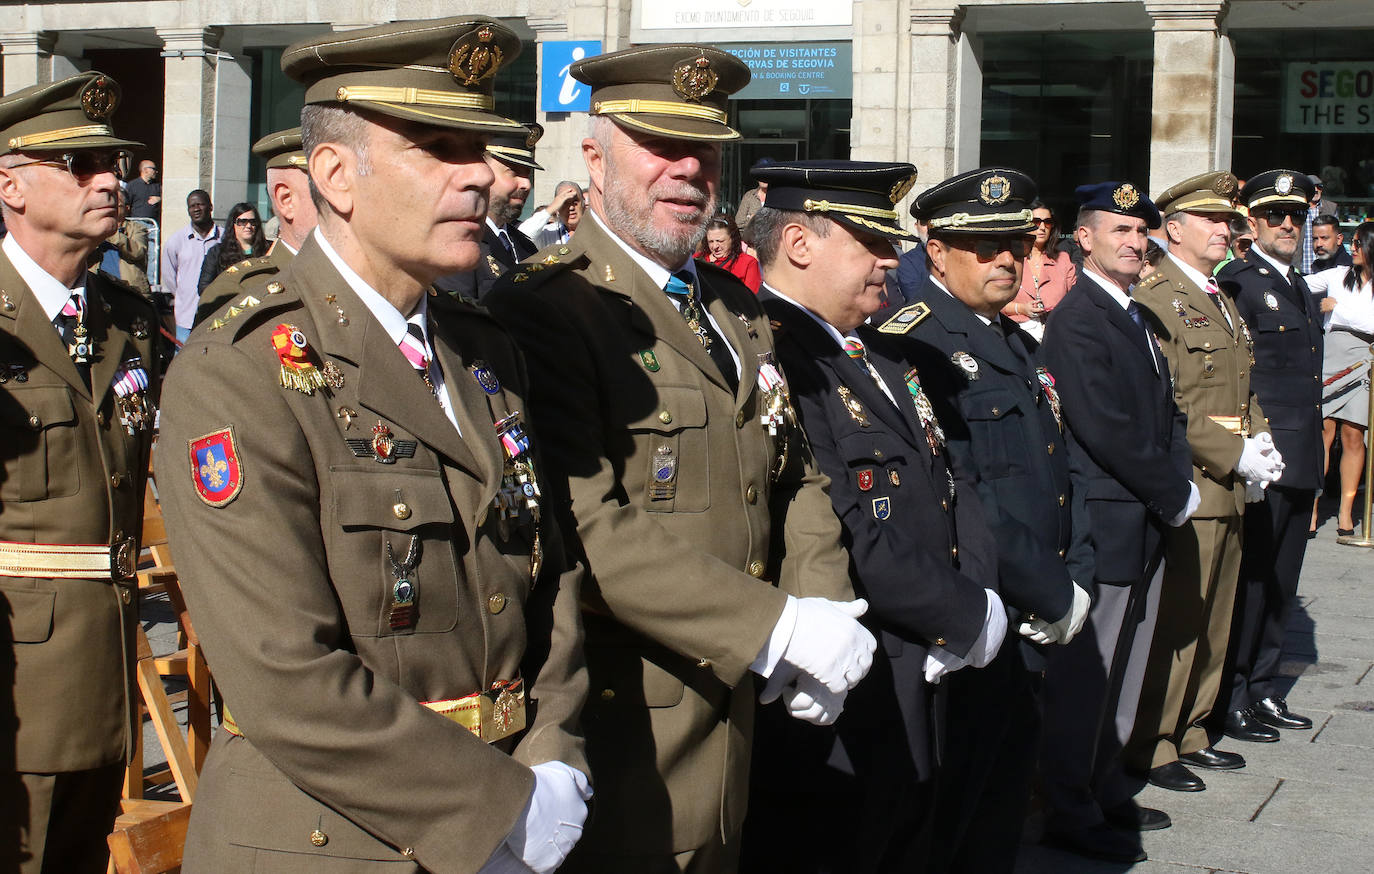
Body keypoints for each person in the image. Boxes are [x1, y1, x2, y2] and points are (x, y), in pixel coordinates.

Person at [155, 17, 591, 872]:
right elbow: (287, 679)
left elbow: (552, 571)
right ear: (335, 176)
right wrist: (495, 807)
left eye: (482, 147)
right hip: (331, 841)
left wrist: (552, 757)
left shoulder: (482, 348)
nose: (482, 174)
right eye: (439, 147)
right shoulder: (240, 369)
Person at [485, 45, 874, 873]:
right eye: (661, 146)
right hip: (636, 723)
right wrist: (776, 627)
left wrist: (826, 605)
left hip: (743, 707)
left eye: (704, 149)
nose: (689, 170)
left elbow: (792, 466)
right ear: (593, 157)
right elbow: (586, 523)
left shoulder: (731, 304)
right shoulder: (549, 308)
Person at [742, 160, 1004, 874]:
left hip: (925, 651)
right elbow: (841, 522)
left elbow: (949, 482)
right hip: (852, 668)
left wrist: (977, 598)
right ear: (799, 242)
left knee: (908, 835)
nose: (893, 261)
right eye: (871, 244)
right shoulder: (773, 356)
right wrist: (959, 611)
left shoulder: (880, 351)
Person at [879, 167, 1091, 874]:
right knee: (960, 808)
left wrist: (1073, 571)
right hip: (984, 609)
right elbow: (970, 491)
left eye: (1014, 244)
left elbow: (1053, 472)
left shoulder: (1013, 339)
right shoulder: (918, 343)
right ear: (935, 250)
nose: (1006, 259)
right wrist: (1050, 590)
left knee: (1001, 798)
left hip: (1029, 607)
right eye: (983, 245)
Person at [0, 71, 160, 874]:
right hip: (16, 680)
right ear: (11, 185)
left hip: (103, 665)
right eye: (80, 164)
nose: (111, 181)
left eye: (115, 165)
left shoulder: (128, 320)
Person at [1038, 182, 1199, 863]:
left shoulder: (1135, 316)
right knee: (1091, 675)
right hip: (1109, 519)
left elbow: (1168, 415)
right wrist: (1173, 490)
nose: (1135, 243)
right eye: (1120, 231)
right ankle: (1069, 805)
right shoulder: (1079, 320)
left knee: (1127, 665)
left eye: (1141, 232)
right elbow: (1105, 425)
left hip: (1146, 511)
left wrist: (1178, 481)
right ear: (1086, 239)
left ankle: (1105, 786)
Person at [1129, 171, 1283, 792]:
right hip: (1195, 478)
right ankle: (1154, 742)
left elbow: (1241, 385)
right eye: (1213, 221)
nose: (1226, 231)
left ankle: (1192, 728)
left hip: (1233, 480)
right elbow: (1172, 402)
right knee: (1180, 621)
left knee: (1216, 617)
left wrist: (1262, 442)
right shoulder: (1159, 297)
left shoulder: (1217, 296)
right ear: (1175, 229)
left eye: (1227, 221)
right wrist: (1232, 452)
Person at [1215, 170, 1325, 743]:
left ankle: (1262, 688)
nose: (1288, 225)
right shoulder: (1238, 280)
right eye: (1275, 215)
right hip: (1266, 456)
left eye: (1297, 216)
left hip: (1302, 454)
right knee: (1253, 582)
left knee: (1283, 581)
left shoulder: (1298, 284)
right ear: (1251, 222)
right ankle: (1231, 695)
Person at [195, 127, 318, 325]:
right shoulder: (232, 283)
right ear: (286, 200)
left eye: (252, 221)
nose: (248, 226)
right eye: (323, 194)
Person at [1307, 222, 1374, 535]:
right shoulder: (1336, 276)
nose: (1354, 249)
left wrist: (1338, 307)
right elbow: (1295, 286)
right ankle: (1313, 508)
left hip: (1365, 359)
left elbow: (1366, 321)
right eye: (1355, 242)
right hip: (1331, 355)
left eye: (1360, 244)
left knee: (1353, 435)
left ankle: (1346, 512)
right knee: (1324, 433)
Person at [435, 123, 542, 302]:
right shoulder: (458, 240)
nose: (526, 184)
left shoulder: (525, 246)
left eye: (528, 174)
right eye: (514, 172)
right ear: (482, 169)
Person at [1002, 198, 1075, 340]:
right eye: (1036, 221)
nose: (1042, 227)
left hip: (1057, 337)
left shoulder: (1063, 259)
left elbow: (1076, 300)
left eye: (1047, 222)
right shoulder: (1009, 258)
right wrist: (1021, 309)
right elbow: (993, 302)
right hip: (1017, 336)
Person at [160, 188, 221, 342]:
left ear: (210, 207)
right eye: (192, 206)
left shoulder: (225, 238)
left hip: (219, 313)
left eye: (200, 204)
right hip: (186, 315)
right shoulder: (176, 241)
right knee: (183, 360)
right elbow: (169, 277)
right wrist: (183, 296)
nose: (196, 209)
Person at [196, 201, 267, 294]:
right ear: (233, 224)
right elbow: (204, 287)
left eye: (253, 222)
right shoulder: (217, 252)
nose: (248, 226)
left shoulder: (268, 249)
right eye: (242, 222)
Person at [95, 188, 151, 295]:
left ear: (127, 208)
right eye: (109, 202)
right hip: (100, 288)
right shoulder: (97, 228)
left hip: (130, 290)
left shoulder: (137, 229)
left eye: (117, 204)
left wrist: (112, 233)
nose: (112, 207)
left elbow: (138, 252)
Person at [701, 216, 760, 292]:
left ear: (732, 239)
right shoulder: (697, 259)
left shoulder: (748, 263)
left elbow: (752, 298)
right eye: (711, 241)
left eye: (720, 241)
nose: (715, 246)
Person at [520, 180, 584, 249]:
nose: (571, 208)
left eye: (575, 202)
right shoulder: (548, 233)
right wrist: (550, 209)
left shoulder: (594, 229)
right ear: (557, 207)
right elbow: (521, 236)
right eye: (565, 203)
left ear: (583, 202)